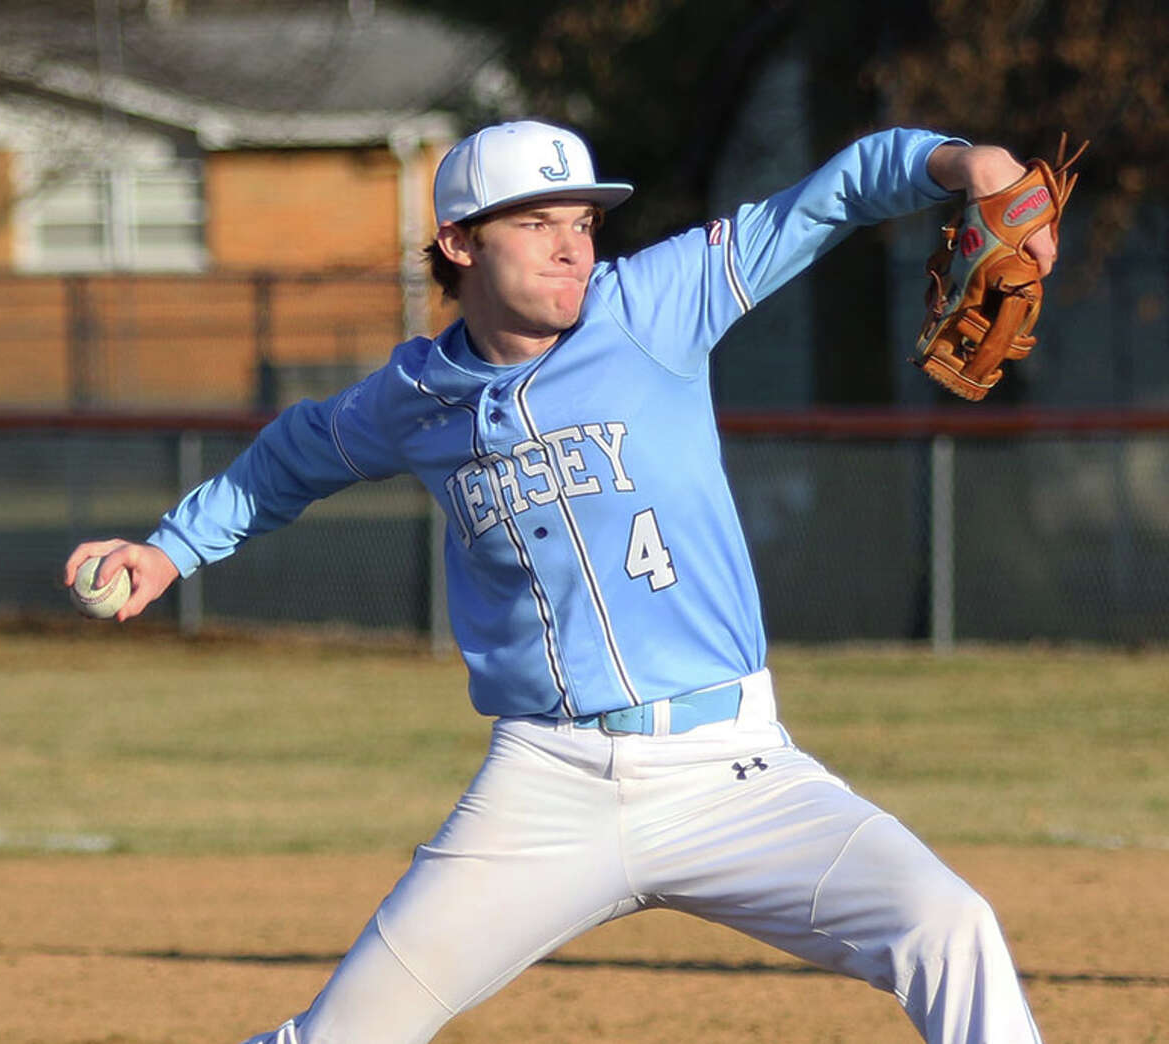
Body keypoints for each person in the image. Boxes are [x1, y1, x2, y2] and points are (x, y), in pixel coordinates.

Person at [65, 119, 1054, 1044]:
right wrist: (169, 550)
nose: (571, 246)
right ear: (458, 243)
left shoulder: (657, 305)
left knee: (949, 926)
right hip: (547, 785)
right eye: (536, 224)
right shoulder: (413, 397)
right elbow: (292, 457)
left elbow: (828, 197)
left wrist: (962, 163)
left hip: (733, 769)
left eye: (581, 222)